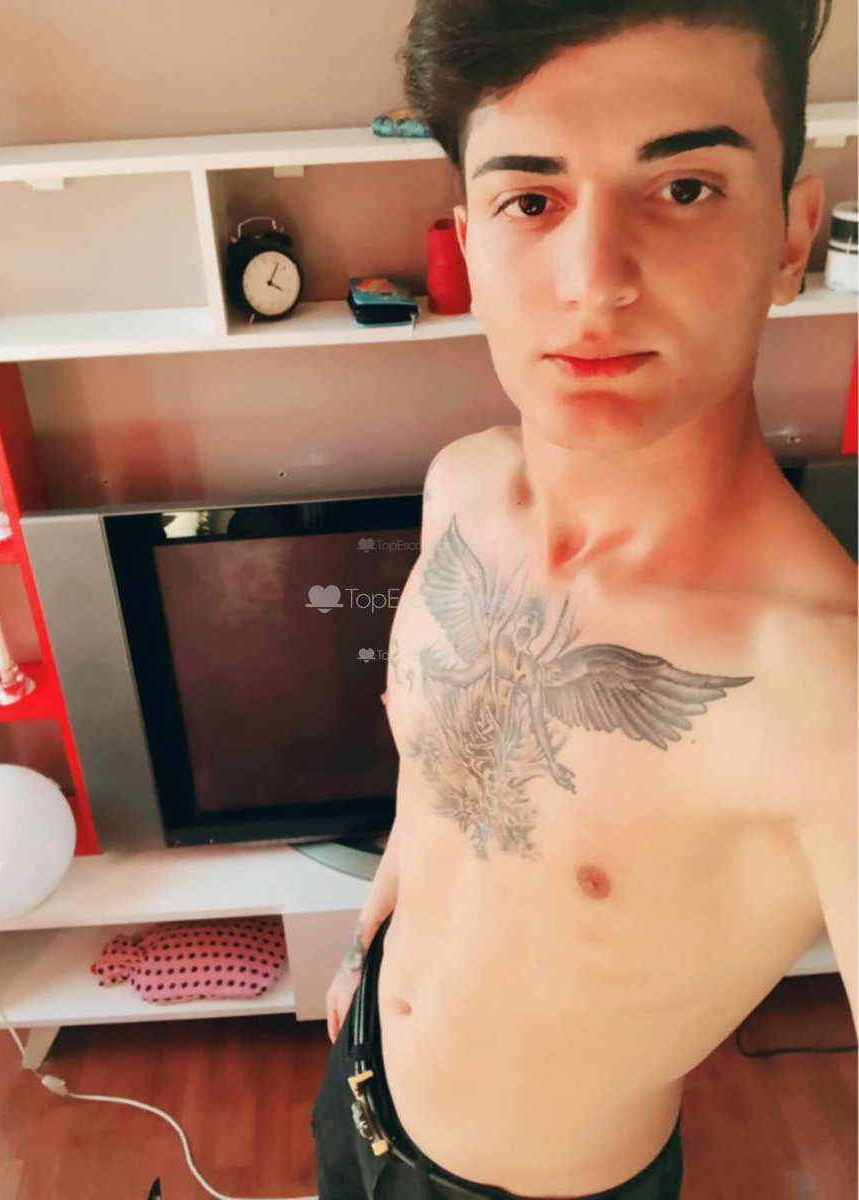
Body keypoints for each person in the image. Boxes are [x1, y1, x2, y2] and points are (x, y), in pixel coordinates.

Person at [311, 1, 857, 1196]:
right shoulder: (461, 486)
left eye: (684, 189)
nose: (593, 282)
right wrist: (371, 945)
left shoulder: (823, 686)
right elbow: (438, 775)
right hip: (357, 1086)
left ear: (790, 235)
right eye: (530, 200)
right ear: (470, 243)